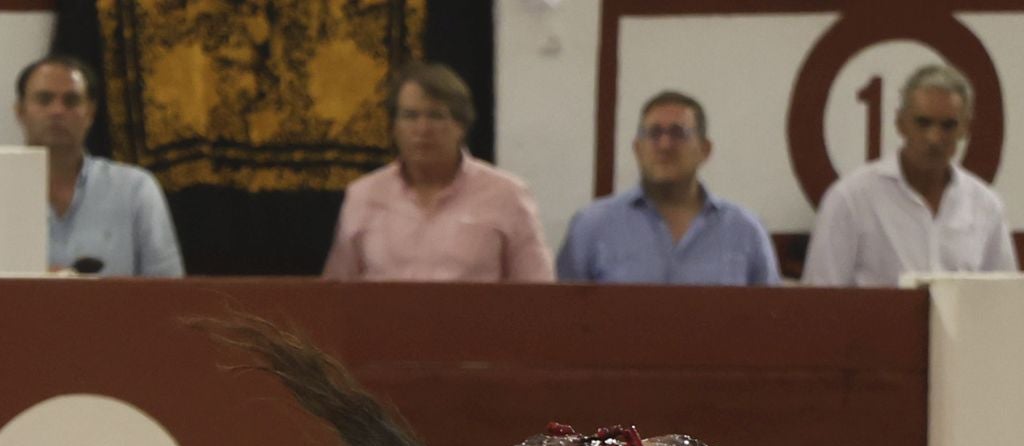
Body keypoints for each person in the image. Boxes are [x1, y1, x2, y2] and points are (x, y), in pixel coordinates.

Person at [322, 62, 553, 283]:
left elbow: (538, 293)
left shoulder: (508, 195)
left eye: (436, 116)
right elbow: (337, 293)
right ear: (394, 127)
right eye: (410, 116)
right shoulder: (362, 195)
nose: (422, 129)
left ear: (461, 126)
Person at [803, 63, 1016, 287]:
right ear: (900, 123)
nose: (934, 137)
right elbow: (820, 299)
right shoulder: (851, 200)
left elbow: (1004, 297)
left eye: (948, 125)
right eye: (923, 123)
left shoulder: (985, 206)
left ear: (965, 129)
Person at [556, 90, 778, 285]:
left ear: (705, 149)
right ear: (637, 148)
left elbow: (772, 319)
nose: (664, 145)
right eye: (653, 133)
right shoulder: (591, 227)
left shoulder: (744, 230)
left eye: (678, 133)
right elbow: (562, 316)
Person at [14, 55, 184, 278]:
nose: (57, 111)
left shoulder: (134, 189)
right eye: (44, 99)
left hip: (117, 312)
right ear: (20, 111)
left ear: (91, 113)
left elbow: (167, 287)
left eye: (71, 101)